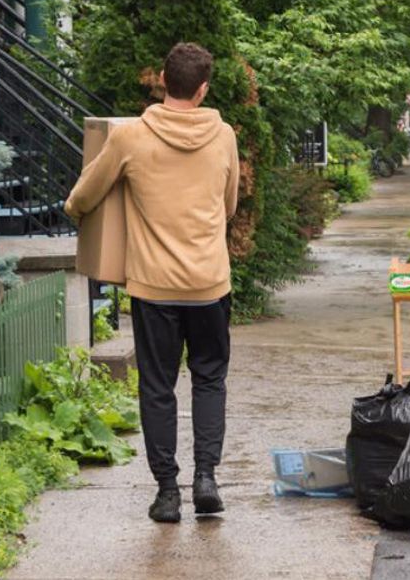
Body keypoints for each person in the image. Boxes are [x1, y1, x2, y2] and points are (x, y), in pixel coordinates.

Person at [64, 43, 240, 523]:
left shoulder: (131, 138)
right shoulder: (223, 136)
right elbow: (229, 207)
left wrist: (75, 211)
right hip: (208, 285)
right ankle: (206, 478)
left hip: (153, 288)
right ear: (203, 88)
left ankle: (167, 492)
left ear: (162, 78)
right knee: (209, 380)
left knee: (158, 387)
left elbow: (85, 193)